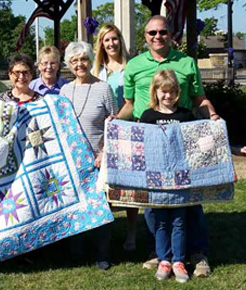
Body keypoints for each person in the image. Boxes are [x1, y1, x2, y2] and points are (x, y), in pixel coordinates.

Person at [120, 15, 219, 278]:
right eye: (152, 32)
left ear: (171, 34)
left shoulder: (186, 63)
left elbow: (199, 99)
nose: (157, 37)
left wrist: (213, 116)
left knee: (189, 202)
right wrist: (114, 123)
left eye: (162, 32)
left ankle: (197, 255)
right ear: (145, 36)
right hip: (148, 147)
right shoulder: (135, 65)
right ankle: (161, 253)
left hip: (181, 146)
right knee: (152, 204)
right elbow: (130, 105)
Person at [60, 41, 117, 270]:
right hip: (73, 160)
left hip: (98, 157)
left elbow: (113, 124)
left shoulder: (103, 88)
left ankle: (103, 253)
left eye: (83, 59)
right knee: (76, 205)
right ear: (69, 64)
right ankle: (76, 249)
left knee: (101, 205)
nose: (79, 64)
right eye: (74, 61)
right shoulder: (65, 90)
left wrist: (103, 152)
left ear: (90, 60)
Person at [139, 70, 193, 283]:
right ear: (156, 92)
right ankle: (164, 259)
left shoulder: (185, 116)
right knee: (160, 220)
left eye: (172, 92)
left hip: (180, 178)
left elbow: (198, 140)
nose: (168, 97)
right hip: (156, 179)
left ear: (177, 92)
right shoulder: (148, 116)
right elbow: (139, 145)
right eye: (164, 92)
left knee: (179, 220)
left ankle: (179, 260)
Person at [93, 24, 138, 253]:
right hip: (103, 133)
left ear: (120, 40)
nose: (111, 44)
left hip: (128, 129)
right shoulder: (97, 70)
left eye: (114, 39)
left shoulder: (130, 67)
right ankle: (107, 233)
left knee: (130, 183)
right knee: (105, 184)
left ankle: (131, 233)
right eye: (106, 40)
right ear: (101, 44)